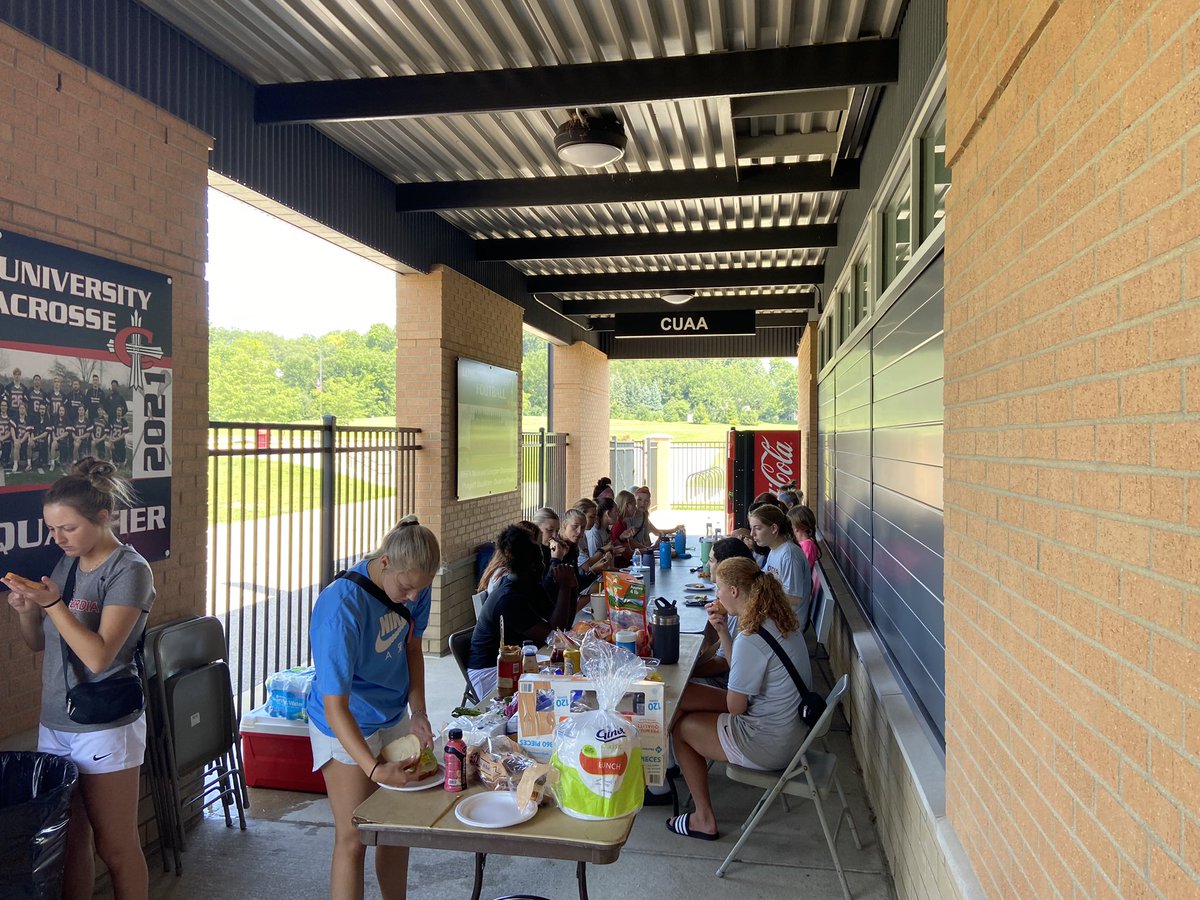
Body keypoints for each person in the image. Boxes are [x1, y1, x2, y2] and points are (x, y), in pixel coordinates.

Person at [3, 458, 155, 900]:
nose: (59, 539)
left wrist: (53, 606)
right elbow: (39, 645)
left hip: (105, 725)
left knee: (117, 847)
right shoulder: (68, 564)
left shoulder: (129, 570)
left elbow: (101, 656)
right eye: (53, 530)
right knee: (69, 843)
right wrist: (29, 612)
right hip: (56, 720)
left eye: (67, 528)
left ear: (103, 517)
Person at [306, 515, 440, 900]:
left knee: (396, 828)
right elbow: (336, 708)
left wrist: (419, 712)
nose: (414, 597)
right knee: (354, 835)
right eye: (407, 587)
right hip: (345, 721)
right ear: (385, 564)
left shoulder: (415, 584)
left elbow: (413, 648)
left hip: (391, 712)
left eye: (421, 589)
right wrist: (375, 768)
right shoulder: (340, 608)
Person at [666, 557, 810, 841]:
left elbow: (736, 706)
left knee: (680, 728)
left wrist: (699, 698)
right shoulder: (776, 621)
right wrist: (722, 632)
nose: (715, 595)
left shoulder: (750, 636)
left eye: (718, 588)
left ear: (734, 591)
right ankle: (673, 771)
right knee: (683, 697)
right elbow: (740, 674)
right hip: (794, 732)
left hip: (768, 743)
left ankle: (703, 818)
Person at [467, 524, 577, 699]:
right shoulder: (508, 598)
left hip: (517, 659)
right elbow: (553, 635)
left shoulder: (528, 584)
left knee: (568, 669)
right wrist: (564, 587)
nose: (544, 565)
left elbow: (561, 628)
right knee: (557, 688)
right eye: (541, 561)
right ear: (531, 565)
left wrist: (571, 587)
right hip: (490, 671)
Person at [690, 537, 757, 684]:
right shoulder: (745, 596)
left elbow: (724, 663)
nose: (707, 564)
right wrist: (696, 663)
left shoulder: (737, 606)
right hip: (739, 686)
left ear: (727, 566)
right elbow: (722, 644)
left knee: (675, 694)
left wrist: (687, 673)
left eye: (712, 560)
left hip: (735, 688)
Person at [748, 504, 813, 627]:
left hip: (789, 624)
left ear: (773, 529)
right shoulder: (774, 550)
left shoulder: (789, 555)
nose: (752, 534)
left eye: (757, 528)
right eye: (752, 528)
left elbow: (794, 598)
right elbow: (762, 580)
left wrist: (762, 598)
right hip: (778, 616)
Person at [788, 505, 822, 603]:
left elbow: (802, 571)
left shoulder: (808, 545)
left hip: (800, 596)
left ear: (796, 527)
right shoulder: (803, 543)